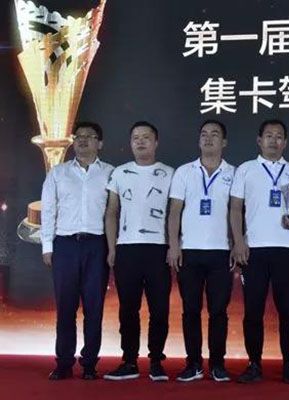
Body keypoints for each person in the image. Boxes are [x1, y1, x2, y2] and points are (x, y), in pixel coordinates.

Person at [229, 119, 289, 384]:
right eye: (269, 135)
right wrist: (239, 242)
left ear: (286, 142)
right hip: (254, 250)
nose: (274, 140)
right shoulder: (245, 169)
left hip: (287, 248)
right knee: (253, 311)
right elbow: (235, 208)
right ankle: (254, 364)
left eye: (279, 136)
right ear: (259, 140)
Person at [41, 121, 113, 380]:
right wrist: (47, 246)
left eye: (89, 136)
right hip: (65, 245)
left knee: (94, 308)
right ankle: (63, 363)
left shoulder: (110, 173)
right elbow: (48, 210)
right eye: (78, 136)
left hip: (97, 245)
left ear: (99, 143)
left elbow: (115, 213)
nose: (82, 140)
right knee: (66, 307)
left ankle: (90, 364)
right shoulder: (58, 173)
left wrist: (112, 248)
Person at [103, 121, 174, 382]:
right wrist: (112, 247)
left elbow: (175, 214)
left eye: (146, 137)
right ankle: (129, 361)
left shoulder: (170, 173)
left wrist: (173, 245)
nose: (141, 142)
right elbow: (111, 212)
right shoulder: (120, 173)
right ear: (131, 143)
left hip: (159, 249)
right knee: (128, 309)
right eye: (136, 138)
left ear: (156, 142)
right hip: (127, 248)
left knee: (159, 309)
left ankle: (156, 361)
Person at [167, 120, 235, 382]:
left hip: (221, 252)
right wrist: (174, 245)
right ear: (198, 140)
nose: (208, 138)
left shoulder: (234, 173)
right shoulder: (184, 172)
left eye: (215, 134)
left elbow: (239, 213)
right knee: (190, 310)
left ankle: (218, 364)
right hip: (189, 251)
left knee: (219, 311)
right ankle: (193, 363)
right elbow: (175, 212)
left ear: (224, 142)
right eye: (204, 134)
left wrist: (238, 244)